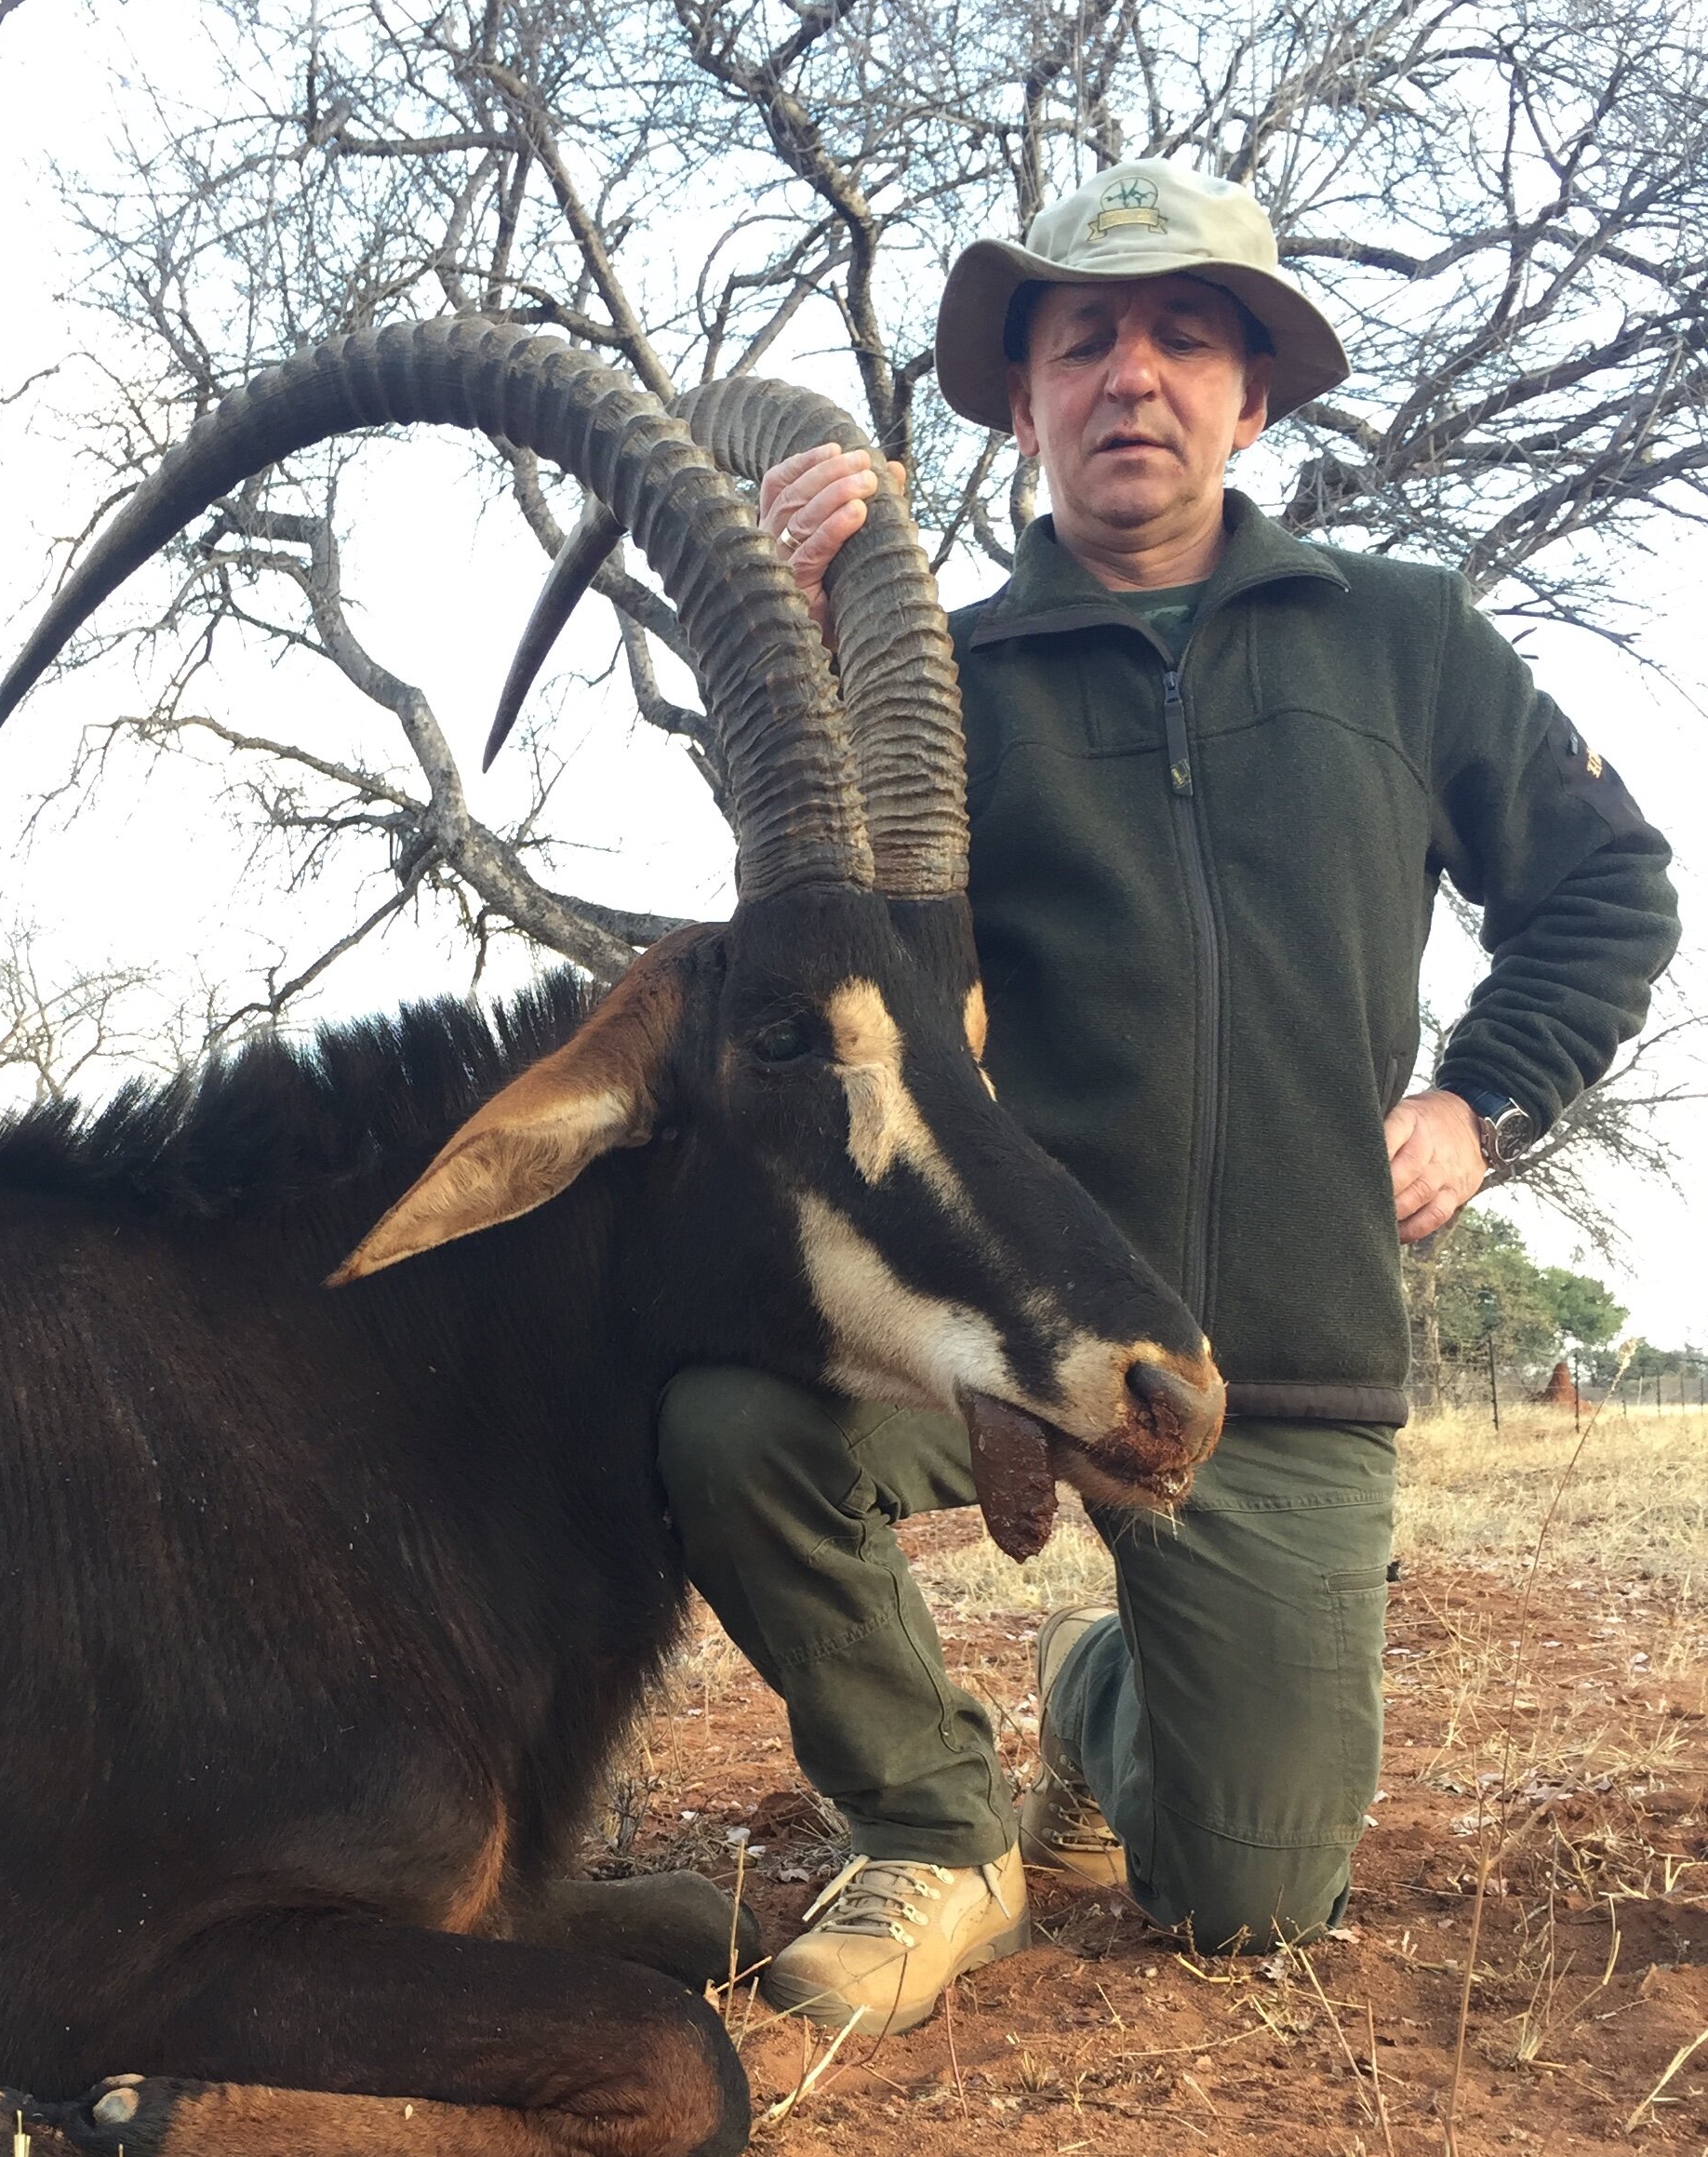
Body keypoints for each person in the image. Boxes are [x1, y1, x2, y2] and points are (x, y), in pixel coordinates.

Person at [657, 159, 1680, 2034]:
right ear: (1025, 402)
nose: (1135, 373)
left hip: (1278, 1368)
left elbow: (1612, 888)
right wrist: (806, 630)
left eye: (1185, 334)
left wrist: (1480, 1104)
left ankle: (1094, 1692)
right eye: (1084, 339)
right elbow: (847, 984)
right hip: (1008, 1337)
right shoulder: (936, 682)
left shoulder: (1405, 638)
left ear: (1253, 393)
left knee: (1247, 1900)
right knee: (731, 1429)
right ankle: (938, 1819)